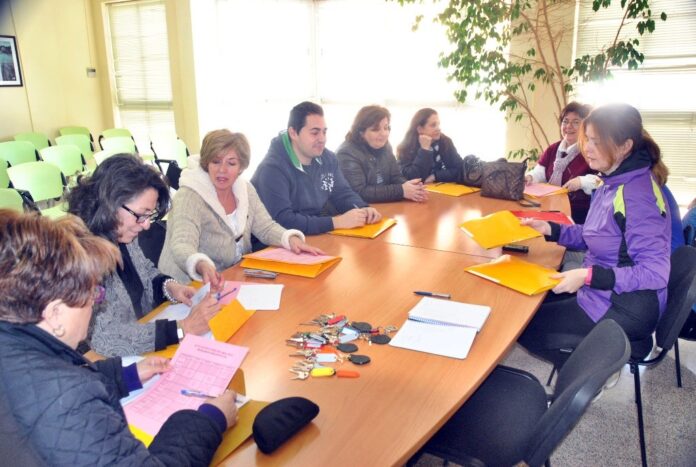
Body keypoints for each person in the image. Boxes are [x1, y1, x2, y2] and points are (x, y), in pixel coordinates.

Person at [0, 210, 237, 465]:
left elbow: (48, 380)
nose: (95, 303)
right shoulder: (69, 402)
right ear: (55, 314)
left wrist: (126, 375)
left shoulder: (16, 343)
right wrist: (209, 419)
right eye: (93, 294)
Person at [518, 103, 671, 365]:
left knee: (524, 327)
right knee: (529, 306)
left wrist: (587, 275)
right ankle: (601, 357)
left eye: (597, 142)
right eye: (587, 139)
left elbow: (655, 273)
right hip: (599, 290)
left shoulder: (638, 196)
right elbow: (597, 235)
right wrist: (550, 229)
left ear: (625, 146)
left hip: (624, 305)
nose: (587, 148)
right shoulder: (611, 180)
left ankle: (594, 368)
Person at [67, 155, 220, 357]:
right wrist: (182, 329)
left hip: (143, 336)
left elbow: (144, 270)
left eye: (149, 215)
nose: (146, 225)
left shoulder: (121, 232)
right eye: (141, 214)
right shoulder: (80, 255)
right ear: (111, 204)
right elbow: (105, 337)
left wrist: (170, 287)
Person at [159, 130, 324, 288]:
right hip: (185, 287)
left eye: (231, 163)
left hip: (233, 279)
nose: (222, 170)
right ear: (206, 163)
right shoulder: (189, 196)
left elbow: (265, 227)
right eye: (216, 161)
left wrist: (291, 240)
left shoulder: (245, 189)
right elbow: (182, 244)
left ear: (241, 167)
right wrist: (200, 264)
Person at [251, 101, 382, 235]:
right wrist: (336, 222)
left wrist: (363, 208)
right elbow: (283, 221)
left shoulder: (328, 158)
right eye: (315, 133)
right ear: (293, 133)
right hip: (275, 243)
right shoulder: (272, 169)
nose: (322, 139)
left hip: (313, 234)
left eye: (324, 132)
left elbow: (342, 193)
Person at [336, 105, 427, 203]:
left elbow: (395, 176)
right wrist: (401, 190)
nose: (383, 133)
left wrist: (411, 187)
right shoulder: (346, 153)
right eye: (375, 129)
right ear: (361, 132)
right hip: (361, 209)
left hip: (384, 205)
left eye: (386, 128)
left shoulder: (385, 145)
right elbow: (359, 192)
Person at [525, 101, 597, 223]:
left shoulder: (590, 150)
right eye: (565, 121)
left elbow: (602, 180)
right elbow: (540, 172)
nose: (569, 126)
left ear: (585, 127)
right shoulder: (553, 149)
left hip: (578, 217)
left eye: (576, 122)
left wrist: (581, 182)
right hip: (548, 207)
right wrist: (530, 177)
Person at [396, 108, 463, 184]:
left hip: (443, 188)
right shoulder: (405, 148)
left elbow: (460, 169)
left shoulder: (445, 142)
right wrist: (424, 150)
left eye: (438, 124)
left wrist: (435, 176)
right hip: (417, 190)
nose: (438, 128)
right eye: (433, 125)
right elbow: (411, 177)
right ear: (420, 129)